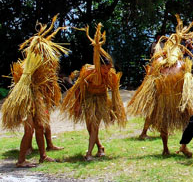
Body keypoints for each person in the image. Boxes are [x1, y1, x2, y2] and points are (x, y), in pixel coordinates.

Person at [127, 14, 193, 156]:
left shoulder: (181, 64)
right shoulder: (160, 63)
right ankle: (166, 148)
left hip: (179, 100)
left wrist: (187, 98)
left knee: (188, 122)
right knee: (164, 124)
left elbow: (187, 85)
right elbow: (151, 83)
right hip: (164, 99)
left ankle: (182, 146)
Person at [1, 15, 68, 167]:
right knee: (29, 130)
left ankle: (43, 156)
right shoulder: (28, 67)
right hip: (27, 98)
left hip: (36, 97)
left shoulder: (39, 67)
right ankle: (20, 161)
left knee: (39, 127)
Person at [62, 23, 127, 161]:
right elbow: (78, 88)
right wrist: (78, 104)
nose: (108, 71)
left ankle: (89, 153)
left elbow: (115, 93)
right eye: (106, 68)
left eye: (109, 68)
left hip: (101, 100)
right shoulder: (89, 72)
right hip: (89, 99)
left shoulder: (110, 75)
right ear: (100, 65)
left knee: (95, 125)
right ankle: (100, 147)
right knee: (89, 127)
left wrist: (115, 109)